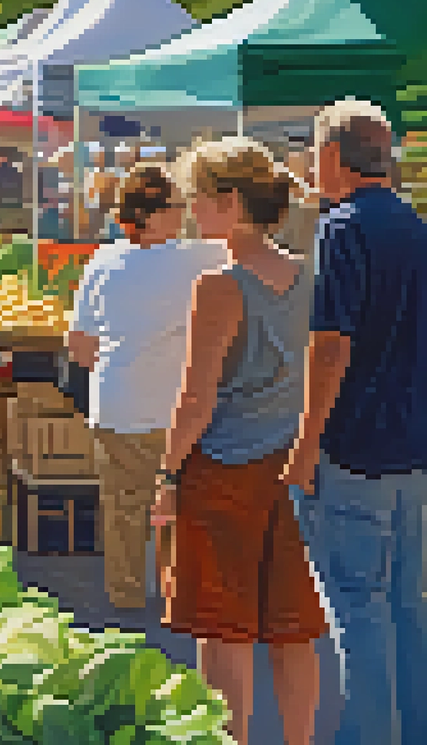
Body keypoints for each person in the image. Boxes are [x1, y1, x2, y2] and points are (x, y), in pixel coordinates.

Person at [150, 137, 324, 745]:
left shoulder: (220, 287)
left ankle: (229, 740)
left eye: (198, 197)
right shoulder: (311, 276)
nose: (192, 209)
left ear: (229, 201)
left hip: (225, 471)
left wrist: (167, 476)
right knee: (294, 627)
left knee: (223, 631)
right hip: (300, 467)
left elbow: (195, 401)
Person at [279, 100, 427, 745]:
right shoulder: (417, 227)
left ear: (334, 156)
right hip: (412, 448)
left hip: (355, 447)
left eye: (315, 153)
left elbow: (331, 345)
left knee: (356, 607)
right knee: (403, 608)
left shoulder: (341, 227)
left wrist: (306, 443)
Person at [67, 164, 229, 610]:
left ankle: (126, 596)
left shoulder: (102, 261)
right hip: (180, 407)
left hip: (117, 402)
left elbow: (78, 346)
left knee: (123, 508)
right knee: (181, 505)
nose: (184, 214)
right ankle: (175, 594)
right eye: (177, 207)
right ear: (154, 215)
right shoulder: (202, 257)